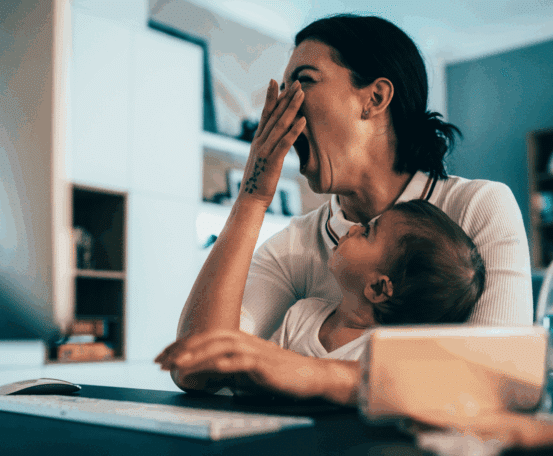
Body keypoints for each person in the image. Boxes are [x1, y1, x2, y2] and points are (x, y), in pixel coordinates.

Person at [156, 14, 532, 405]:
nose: (282, 105)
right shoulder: (294, 246)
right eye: (283, 89)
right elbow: (195, 367)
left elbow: (501, 380)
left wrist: (310, 374)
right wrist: (251, 199)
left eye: (303, 80)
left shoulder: (478, 206)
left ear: (375, 98)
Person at [272, 199, 486, 361]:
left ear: (377, 288)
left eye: (366, 233)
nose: (353, 228)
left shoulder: (383, 359)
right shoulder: (300, 315)